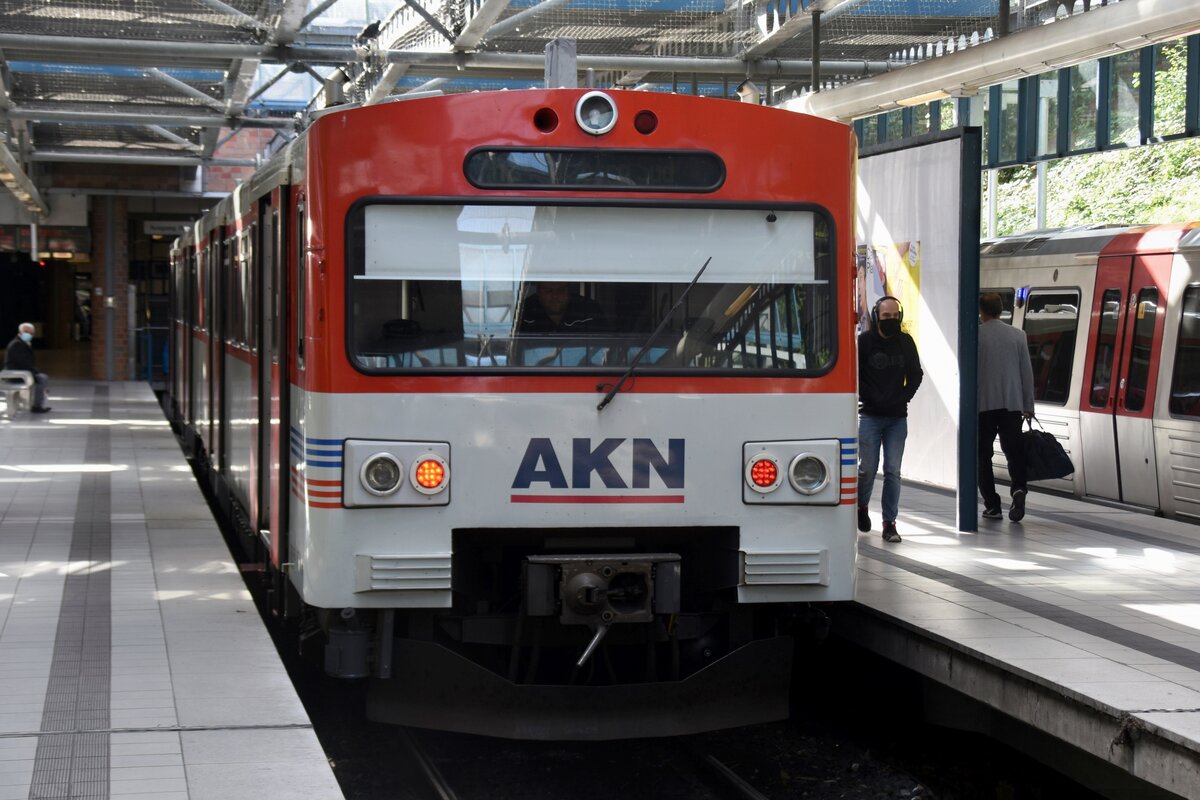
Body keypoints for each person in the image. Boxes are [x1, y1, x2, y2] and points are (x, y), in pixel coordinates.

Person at [857, 296, 923, 543]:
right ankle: (861, 506)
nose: (891, 320)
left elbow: (916, 375)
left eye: (895, 316)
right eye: (886, 316)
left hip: (897, 417)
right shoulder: (864, 342)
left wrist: (903, 397)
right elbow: (855, 375)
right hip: (869, 415)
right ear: (877, 317)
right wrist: (871, 397)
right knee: (867, 469)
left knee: (893, 471)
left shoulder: (906, 342)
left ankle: (889, 524)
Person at [977, 293, 1035, 522]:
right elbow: (1026, 373)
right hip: (1012, 405)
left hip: (983, 406)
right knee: (1014, 452)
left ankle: (992, 505)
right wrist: (1028, 405)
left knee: (982, 455)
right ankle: (1018, 489)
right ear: (1000, 310)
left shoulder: (976, 335)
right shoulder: (1018, 335)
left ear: (982, 311)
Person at [517, 281, 607, 333]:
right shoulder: (524, 312)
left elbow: (606, 348)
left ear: (569, 290)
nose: (555, 296)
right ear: (538, 292)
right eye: (548, 291)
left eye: (561, 290)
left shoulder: (589, 311)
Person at [4, 322, 51, 413]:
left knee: (42, 377)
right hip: (16, 374)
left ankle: (38, 403)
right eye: (26, 332)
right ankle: (37, 406)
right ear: (20, 332)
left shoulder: (23, 343)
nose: (28, 335)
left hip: (23, 372)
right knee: (41, 378)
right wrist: (35, 372)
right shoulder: (17, 344)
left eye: (31, 333)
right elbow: (23, 363)